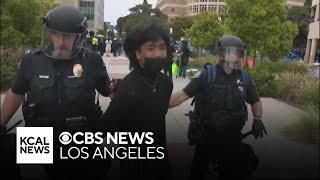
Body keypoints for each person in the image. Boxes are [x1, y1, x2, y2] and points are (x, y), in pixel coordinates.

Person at [0, 5, 112, 179]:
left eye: (66, 36)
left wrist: (120, 91)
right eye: (55, 34)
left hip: (79, 139)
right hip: (40, 137)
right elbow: (16, 93)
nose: (60, 41)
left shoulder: (92, 60)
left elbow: (107, 91)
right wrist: (0, 124)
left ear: (78, 36)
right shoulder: (31, 60)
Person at [169, 35, 267, 179]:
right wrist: (157, 105)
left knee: (232, 172)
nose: (233, 55)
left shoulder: (244, 77)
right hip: (207, 136)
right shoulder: (207, 75)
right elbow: (182, 95)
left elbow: (255, 101)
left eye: (236, 52)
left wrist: (257, 118)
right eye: (229, 51)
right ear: (221, 53)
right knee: (198, 172)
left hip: (233, 137)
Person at [103, 21, 173, 180]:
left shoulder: (166, 83)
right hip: (134, 164)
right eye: (151, 48)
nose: (158, 53)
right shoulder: (127, 87)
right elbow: (105, 128)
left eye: (162, 47)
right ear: (137, 53)